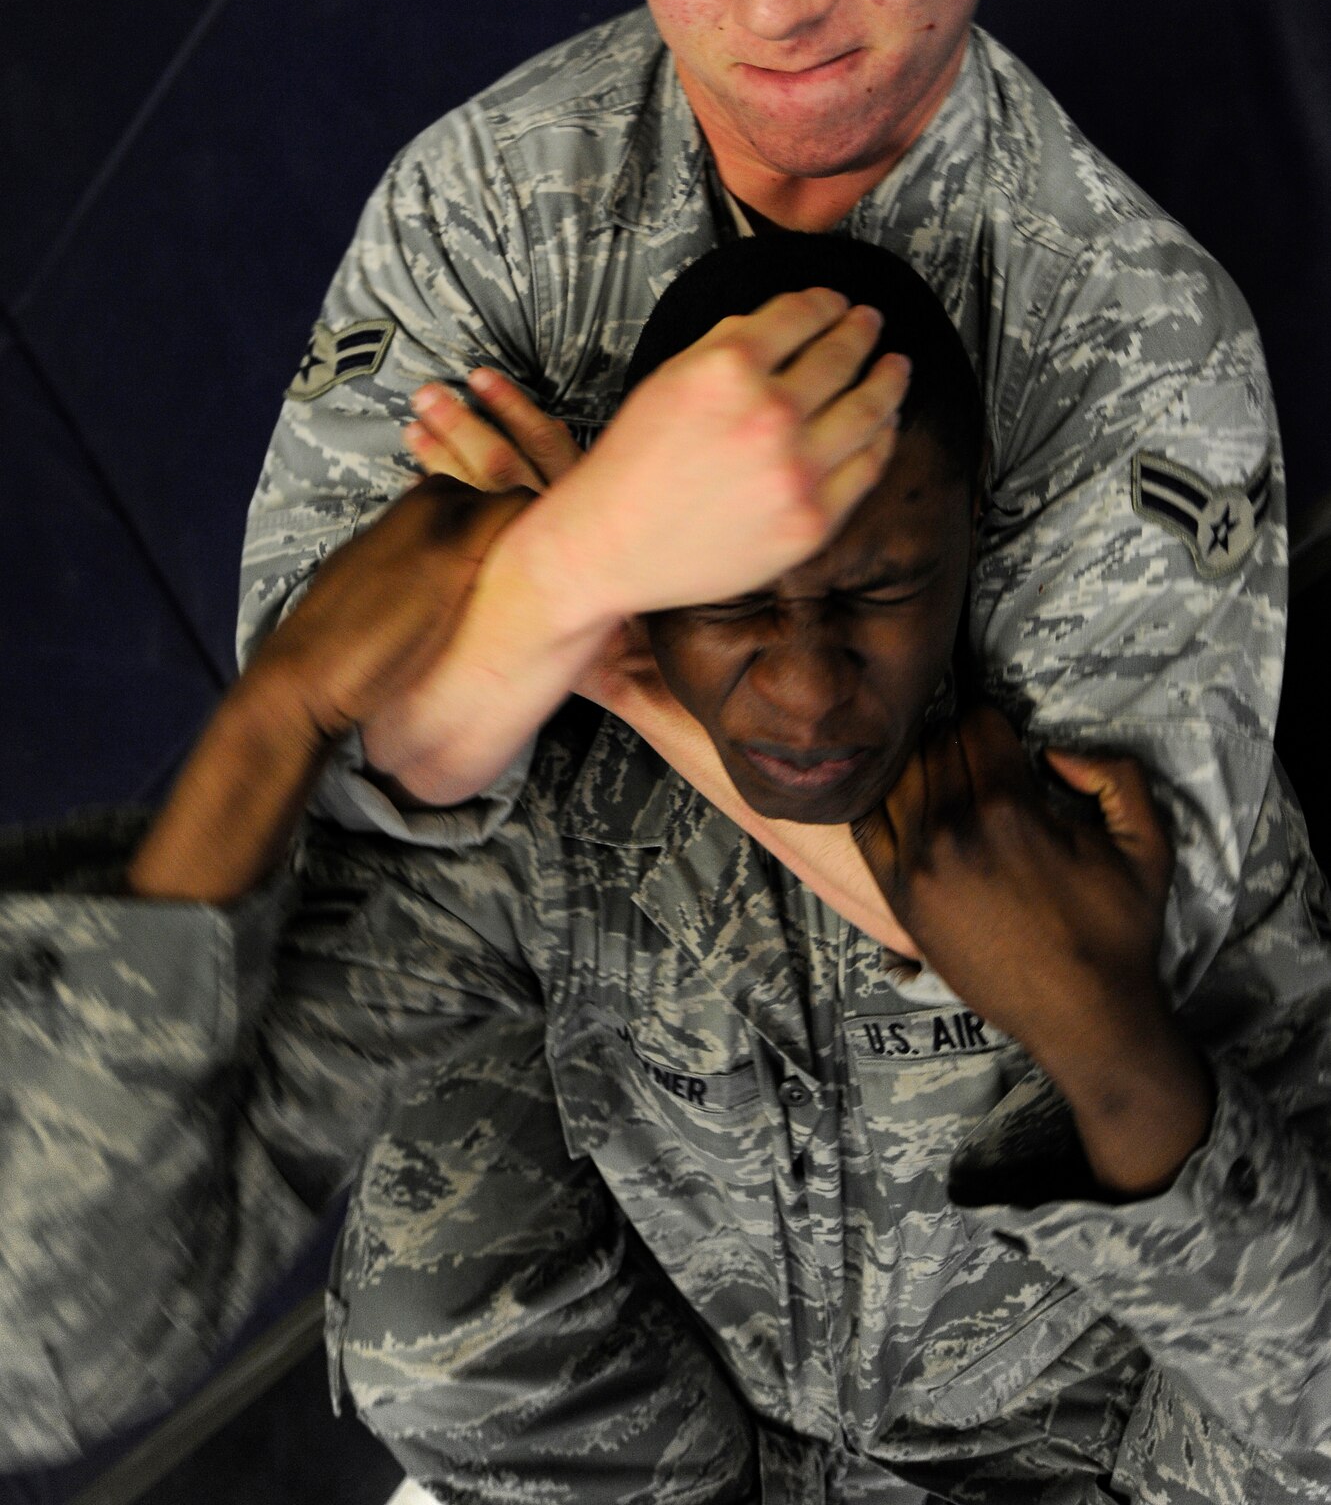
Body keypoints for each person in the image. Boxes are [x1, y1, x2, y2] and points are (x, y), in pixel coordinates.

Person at [3, 236, 1327, 1505]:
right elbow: (34, 1344)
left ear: (971, 528)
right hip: (699, 1455)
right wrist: (275, 720)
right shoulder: (563, 825)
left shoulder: (1153, 822)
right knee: (434, 1248)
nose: (807, 692)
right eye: (730, 594)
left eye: (879, 593)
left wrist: (1108, 1042)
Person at [240, 0, 1286, 1012]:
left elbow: (1096, 977)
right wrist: (590, 558)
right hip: (580, 1080)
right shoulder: (478, 206)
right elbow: (308, 774)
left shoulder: (1143, 333)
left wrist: (582, 622)